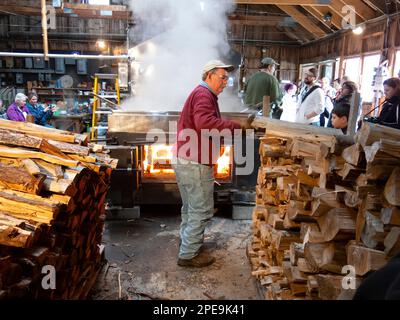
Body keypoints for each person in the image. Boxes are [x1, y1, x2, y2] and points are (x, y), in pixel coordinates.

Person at [172, 60, 253, 268]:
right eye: (222, 77)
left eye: (228, 78)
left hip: (185, 159)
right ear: (209, 75)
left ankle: (188, 243)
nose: (226, 82)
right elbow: (205, 123)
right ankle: (189, 255)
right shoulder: (203, 94)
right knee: (201, 210)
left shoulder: (204, 94)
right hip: (195, 161)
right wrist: (237, 127)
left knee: (190, 208)